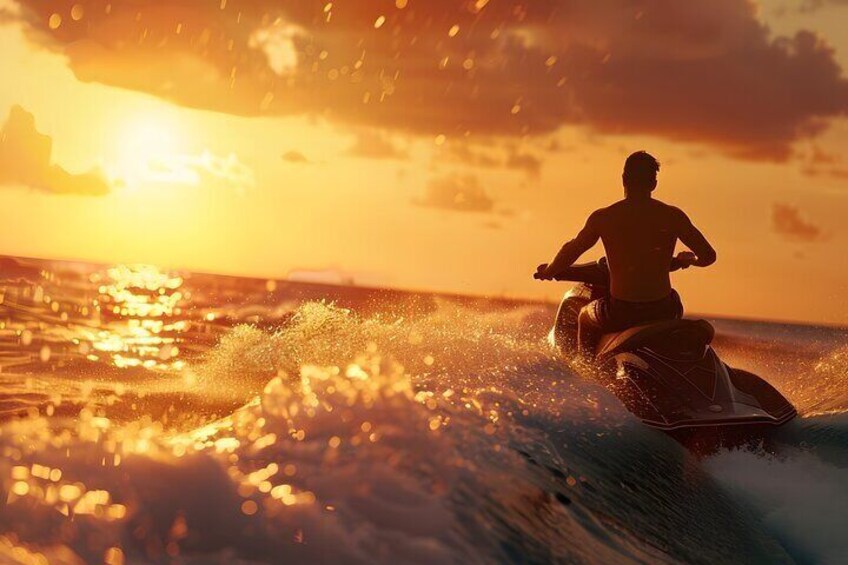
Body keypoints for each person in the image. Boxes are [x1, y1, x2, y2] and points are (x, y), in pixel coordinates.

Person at [534, 151, 716, 358]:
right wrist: (690, 261)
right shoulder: (673, 216)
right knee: (674, 299)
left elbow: (573, 249)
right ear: (653, 184)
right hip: (662, 310)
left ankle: (585, 373)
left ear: (623, 180)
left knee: (584, 316)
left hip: (621, 312)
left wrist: (549, 271)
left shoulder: (604, 217)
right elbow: (708, 257)